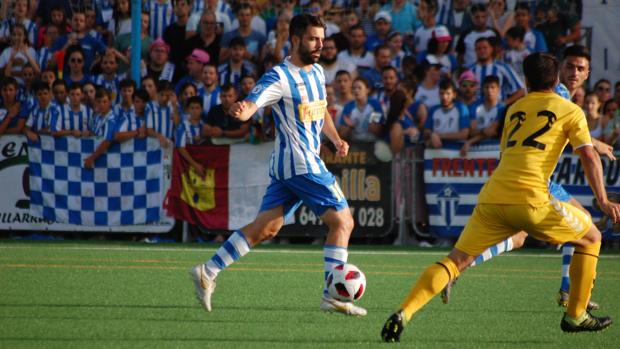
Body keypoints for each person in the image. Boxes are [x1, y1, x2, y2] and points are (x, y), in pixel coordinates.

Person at [381, 52, 620, 343]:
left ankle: (403, 313)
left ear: (526, 81)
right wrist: (604, 200)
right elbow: (589, 157)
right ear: (556, 80)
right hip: (533, 198)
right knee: (592, 236)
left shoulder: (515, 108)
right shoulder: (570, 109)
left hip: (493, 195)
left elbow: (506, 153)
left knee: (455, 260)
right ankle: (575, 314)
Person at [189, 13, 367, 317]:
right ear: (295, 39)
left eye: (322, 40)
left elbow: (321, 111)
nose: (319, 45)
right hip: (301, 164)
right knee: (343, 222)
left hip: (290, 167)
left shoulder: (317, 73)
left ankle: (208, 270)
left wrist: (335, 140)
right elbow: (252, 104)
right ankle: (331, 294)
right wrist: (242, 110)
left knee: (266, 228)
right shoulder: (279, 76)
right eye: (313, 39)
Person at [440, 45, 616, 310]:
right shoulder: (557, 92)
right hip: (534, 183)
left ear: (588, 72)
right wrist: (595, 145)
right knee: (584, 227)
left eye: (580, 68)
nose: (574, 72)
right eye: (569, 66)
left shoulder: (565, 95)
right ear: (559, 68)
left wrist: (593, 142)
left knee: (522, 236)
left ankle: (456, 269)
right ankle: (569, 293)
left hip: (531, 181)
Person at [460, 75, 504, 156]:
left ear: (498, 89)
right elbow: (472, 132)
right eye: (486, 87)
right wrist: (484, 131)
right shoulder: (474, 107)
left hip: (495, 150)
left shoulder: (502, 108)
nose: (489, 90)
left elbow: (492, 132)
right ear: (482, 89)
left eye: (492, 87)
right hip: (475, 151)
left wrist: (470, 142)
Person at [423, 79, 470, 149]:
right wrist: (431, 134)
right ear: (438, 94)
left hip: (456, 151)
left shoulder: (461, 108)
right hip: (436, 152)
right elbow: (426, 131)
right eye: (442, 93)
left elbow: (464, 134)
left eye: (448, 93)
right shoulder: (433, 110)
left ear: (454, 95)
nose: (444, 97)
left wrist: (439, 136)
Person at [337, 77, 384, 142]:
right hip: (354, 142)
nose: (356, 90)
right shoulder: (348, 106)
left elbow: (377, 131)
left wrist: (371, 124)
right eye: (354, 88)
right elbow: (341, 134)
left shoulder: (375, 104)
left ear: (367, 90)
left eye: (359, 88)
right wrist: (349, 126)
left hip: (373, 141)